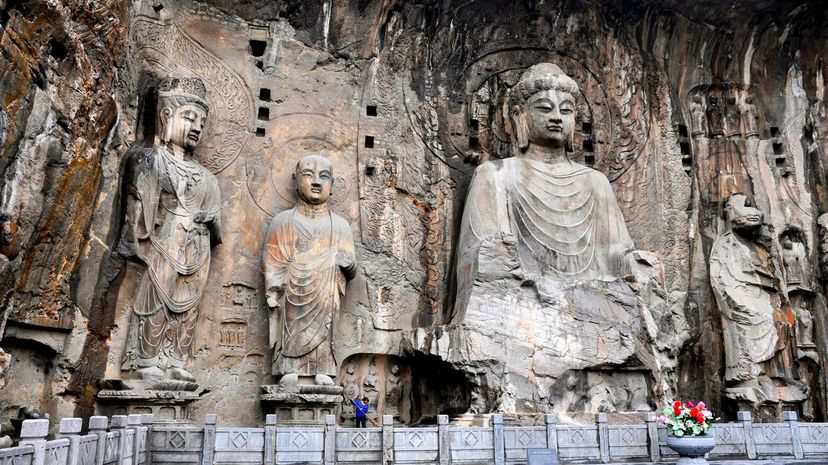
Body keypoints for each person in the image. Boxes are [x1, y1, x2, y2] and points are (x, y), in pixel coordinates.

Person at [453, 63, 637, 320]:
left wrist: (637, 264)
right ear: (520, 115)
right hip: (520, 306)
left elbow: (614, 252)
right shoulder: (496, 174)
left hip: (593, 306)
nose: (556, 118)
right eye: (544, 108)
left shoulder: (595, 182)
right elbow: (482, 254)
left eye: (566, 110)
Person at [119, 76, 221, 385]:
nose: (196, 127)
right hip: (164, 241)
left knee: (189, 308)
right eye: (189, 117)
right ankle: (147, 360)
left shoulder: (208, 178)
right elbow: (136, 212)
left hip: (197, 246)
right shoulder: (149, 159)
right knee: (156, 300)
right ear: (166, 116)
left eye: (201, 122)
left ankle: (178, 360)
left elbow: (216, 224)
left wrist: (206, 219)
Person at [263, 154, 357, 385]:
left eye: (324, 177)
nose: (316, 182)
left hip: (325, 295)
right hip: (293, 292)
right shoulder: (283, 221)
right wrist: (276, 285)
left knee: (326, 329)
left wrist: (346, 263)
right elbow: (271, 259)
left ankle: (323, 369)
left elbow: (351, 264)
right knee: (291, 326)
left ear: (332, 185)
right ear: (296, 180)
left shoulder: (340, 226)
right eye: (308, 175)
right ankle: (288, 369)